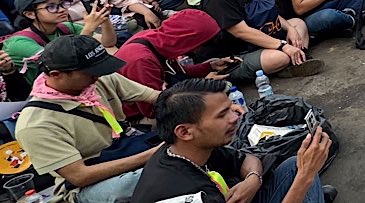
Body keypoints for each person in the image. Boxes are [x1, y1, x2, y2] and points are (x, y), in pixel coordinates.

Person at [131, 79, 336, 203]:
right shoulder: (186, 193)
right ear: (184, 131)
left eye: (231, 108)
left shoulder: (188, 148)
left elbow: (247, 159)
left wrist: (253, 180)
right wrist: (305, 178)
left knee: (293, 166)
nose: (235, 117)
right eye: (222, 115)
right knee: (301, 174)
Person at [16, 36, 161, 203]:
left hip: (124, 149)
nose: (98, 76)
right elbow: (80, 176)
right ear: (56, 75)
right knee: (153, 177)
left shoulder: (96, 79)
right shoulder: (35, 125)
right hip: (86, 185)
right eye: (91, 72)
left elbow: (156, 97)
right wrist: (151, 155)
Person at [116, 10, 234, 120]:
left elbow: (179, 72)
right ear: (187, 40)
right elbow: (154, 110)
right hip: (137, 118)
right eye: (200, 45)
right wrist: (201, 89)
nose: (198, 50)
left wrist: (210, 66)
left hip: (160, 97)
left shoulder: (157, 39)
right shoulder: (141, 61)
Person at [4, 0, 115, 86]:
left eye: (63, 3)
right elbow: (64, 64)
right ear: (30, 14)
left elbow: (108, 43)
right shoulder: (19, 43)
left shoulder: (65, 27)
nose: (62, 9)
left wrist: (105, 20)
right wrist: (89, 28)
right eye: (51, 7)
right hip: (41, 95)